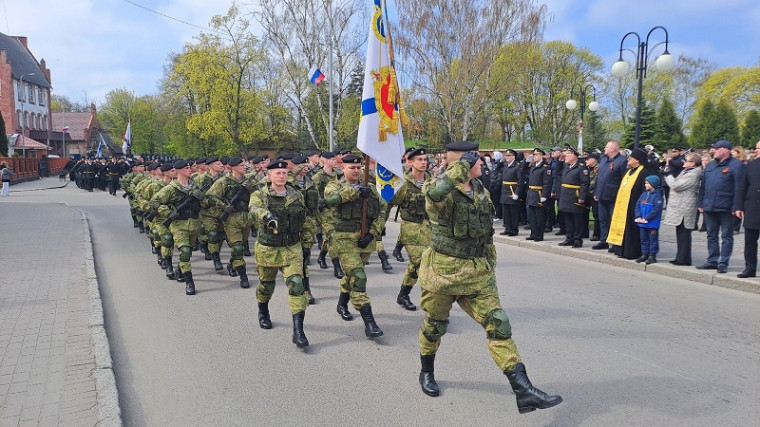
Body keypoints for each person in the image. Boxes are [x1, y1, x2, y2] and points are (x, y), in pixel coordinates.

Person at [416, 141, 562, 414]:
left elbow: (485, 233)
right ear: (464, 163)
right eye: (477, 160)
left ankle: (523, 390)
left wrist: (489, 261)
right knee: (435, 327)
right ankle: (426, 371)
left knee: (499, 324)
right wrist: (459, 166)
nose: (483, 164)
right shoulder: (437, 189)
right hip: (442, 274)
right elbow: (436, 192)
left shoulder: (480, 190)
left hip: (477, 273)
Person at [324, 154, 387, 338]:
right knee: (359, 276)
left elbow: (383, 209)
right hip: (343, 239)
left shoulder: (371, 187)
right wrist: (357, 192)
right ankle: (369, 322)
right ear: (342, 168)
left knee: (353, 274)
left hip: (364, 240)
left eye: (359, 167)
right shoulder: (333, 186)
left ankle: (342, 304)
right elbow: (331, 199)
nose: (356, 170)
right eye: (352, 167)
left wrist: (373, 233)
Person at [248, 159, 309, 348]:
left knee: (297, 285)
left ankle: (298, 331)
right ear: (269, 175)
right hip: (268, 248)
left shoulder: (296, 194)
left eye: (284, 173)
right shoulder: (260, 195)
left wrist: (306, 244)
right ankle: (263, 310)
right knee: (266, 285)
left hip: (292, 248)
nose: (282, 176)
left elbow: (304, 220)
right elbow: (253, 210)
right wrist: (266, 216)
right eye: (277, 173)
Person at [151, 159, 203, 295]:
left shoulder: (195, 186)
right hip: (178, 225)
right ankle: (189, 282)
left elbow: (205, 202)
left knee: (188, 252)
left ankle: (180, 270)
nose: (189, 170)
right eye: (186, 168)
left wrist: (202, 197)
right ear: (179, 170)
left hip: (194, 224)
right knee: (184, 251)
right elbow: (154, 202)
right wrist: (168, 212)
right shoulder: (170, 189)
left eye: (189, 168)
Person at [389, 147, 431, 311]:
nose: (423, 162)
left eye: (425, 160)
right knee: (422, 264)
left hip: (429, 227)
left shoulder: (431, 181)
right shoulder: (404, 182)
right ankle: (433, 307)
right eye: (419, 160)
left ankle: (403, 295)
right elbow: (389, 202)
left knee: (416, 265)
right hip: (411, 228)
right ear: (410, 162)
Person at [697, 140, 745, 273]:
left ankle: (723, 262)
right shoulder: (711, 165)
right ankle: (712, 260)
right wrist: (700, 203)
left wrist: (737, 206)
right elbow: (704, 186)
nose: (713, 151)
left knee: (726, 236)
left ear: (726, 150)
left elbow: (739, 188)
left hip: (726, 207)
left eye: (716, 148)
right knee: (711, 235)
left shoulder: (737, 166)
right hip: (709, 206)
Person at [206, 156, 255, 289]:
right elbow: (209, 197)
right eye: (241, 165)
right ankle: (243, 276)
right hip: (232, 219)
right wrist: (223, 206)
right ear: (233, 168)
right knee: (238, 247)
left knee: (240, 246)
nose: (245, 167)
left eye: (245, 165)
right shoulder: (223, 182)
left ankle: (232, 263)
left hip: (247, 218)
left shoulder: (249, 181)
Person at [607, 147, 651, 260]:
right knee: (623, 228)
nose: (628, 160)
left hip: (634, 206)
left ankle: (632, 252)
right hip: (623, 205)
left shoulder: (644, 172)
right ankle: (620, 250)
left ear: (637, 160)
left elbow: (645, 191)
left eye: (630, 158)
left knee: (632, 230)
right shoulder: (629, 171)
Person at [662, 152, 703, 266]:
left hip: (685, 207)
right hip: (680, 206)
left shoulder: (694, 173)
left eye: (687, 160)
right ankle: (680, 256)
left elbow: (676, 185)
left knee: (684, 233)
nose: (684, 162)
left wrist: (668, 174)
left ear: (693, 163)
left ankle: (684, 259)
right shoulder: (687, 171)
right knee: (680, 232)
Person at [593, 141, 628, 250]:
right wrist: (597, 192)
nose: (604, 148)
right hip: (601, 194)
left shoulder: (622, 161)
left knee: (614, 220)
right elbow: (599, 178)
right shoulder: (603, 159)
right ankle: (604, 240)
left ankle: (615, 242)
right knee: (603, 219)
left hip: (613, 196)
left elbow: (624, 179)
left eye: (607, 147)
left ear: (613, 149)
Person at [554, 144, 589, 248]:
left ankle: (577, 240)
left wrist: (582, 197)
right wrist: (560, 161)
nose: (566, 156)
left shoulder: (581, 168)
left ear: (574, 156)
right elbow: (557, 172)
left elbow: (584, 184)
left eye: (568, 154)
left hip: (575, 196)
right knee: (567, 219)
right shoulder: (566, 167)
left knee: (577, 220)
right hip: (565, 196)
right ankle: (569, 238)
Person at [734, 140, 760, 278]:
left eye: (759, 148)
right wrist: (738, 206)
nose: (756, 150)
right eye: (756, 148)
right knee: (750, 241)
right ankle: (749, 268)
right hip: (753, 208)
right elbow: (742, 187)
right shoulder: (751, 165)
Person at [634, 175, 664, 264]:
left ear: (653, 184)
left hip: (652, 223)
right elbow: (637, 206)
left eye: (647, 183)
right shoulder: (643, 194)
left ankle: (652, 255)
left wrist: (646, 218)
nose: (646, 185)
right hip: (642, 221)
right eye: (645, 183)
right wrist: (638, 216)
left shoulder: (658, 196)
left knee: (652, 239)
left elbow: (656, 210)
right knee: (643, 238)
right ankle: (644, 253)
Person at [524, 148, 553, 242]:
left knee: (539, 216)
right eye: (534, 155)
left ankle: (539, 235)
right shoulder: (533, 166)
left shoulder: (545, 167)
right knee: (531, 216)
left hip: (539, 193)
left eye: (536, 155)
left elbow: (547, 183)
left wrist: (544, 195)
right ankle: (533, 233)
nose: (534, 157)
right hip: (532, 193)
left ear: (541, 156)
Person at [497, 149, 523, 236]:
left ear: (513, 157)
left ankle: (514, 229)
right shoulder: (505, 166)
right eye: (506, 156)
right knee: (506, 212)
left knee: (513, 212)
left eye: (509, 156)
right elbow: (497, 171)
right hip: (505, 191)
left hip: (512, 191)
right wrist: (500, 163)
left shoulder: (517, 167)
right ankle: (507, 228)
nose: (507, 157)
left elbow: (520, 182)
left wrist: (517, 193)